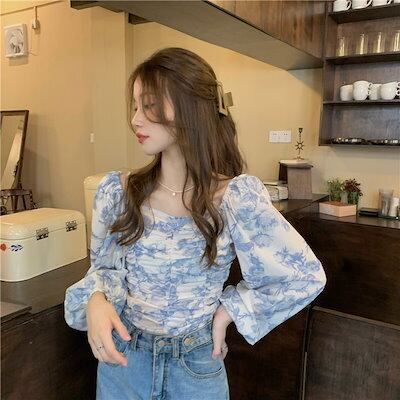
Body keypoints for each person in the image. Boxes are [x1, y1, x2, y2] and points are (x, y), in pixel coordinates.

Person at [64, 47, 326, 400]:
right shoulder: (119, 192)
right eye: (135, 106)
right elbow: (104, 269)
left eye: (149, 105)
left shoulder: (235, 198)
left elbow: (304, 276)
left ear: (191, 108)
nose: (136, 120)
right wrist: (96, 299)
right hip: (124, 361)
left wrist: (230, 311)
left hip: (196, 367)